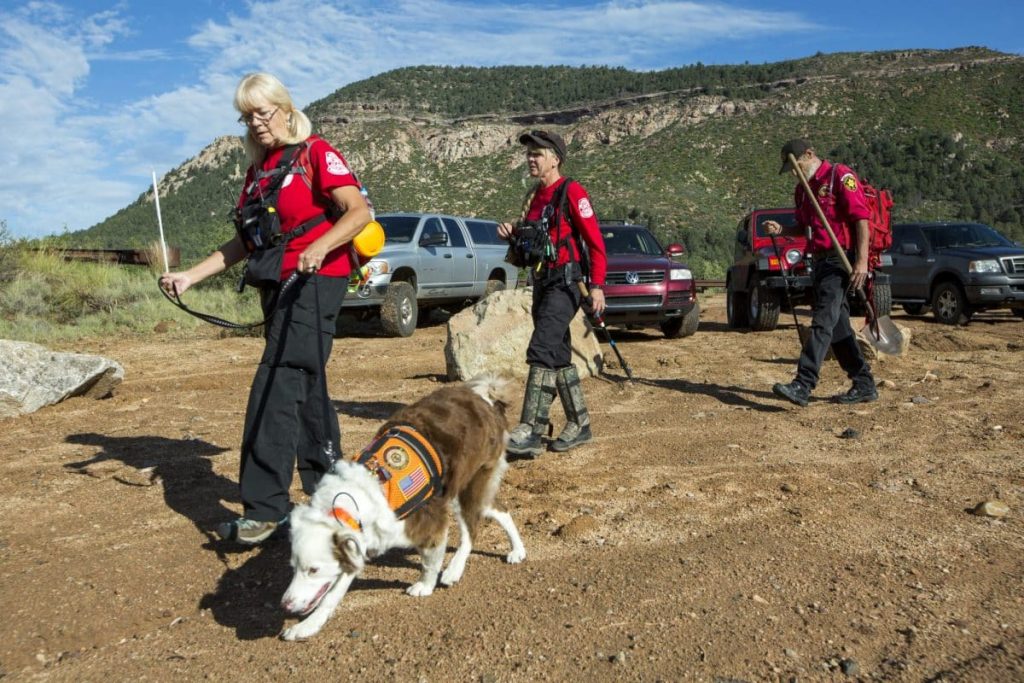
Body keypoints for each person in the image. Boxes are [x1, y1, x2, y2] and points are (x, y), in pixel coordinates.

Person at [159, 73, 371, 544]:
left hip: (317, 280)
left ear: (286, 110)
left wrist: (320, 246)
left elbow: (358, 212)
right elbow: (243, 243)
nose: (255, 123)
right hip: (277, 282)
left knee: (277, 382)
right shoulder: (258, 172)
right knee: (305, 385)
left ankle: (266, 509)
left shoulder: (316, 152)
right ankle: (334, 494)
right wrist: (190, 276)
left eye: (263, 112)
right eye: (246, 116)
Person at [498, 130, 607, 457]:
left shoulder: (571, 191)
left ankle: (531, 429)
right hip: (542, 282)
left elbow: (595, 242)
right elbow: (533, 244)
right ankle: (580, 423)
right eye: (529, 153)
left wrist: (597, 285)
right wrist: (513, 234)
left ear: (555, 159)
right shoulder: (534, 197)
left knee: (542, 348)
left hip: (567, 284)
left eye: (538, 154)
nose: (531, 159)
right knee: (558, 355)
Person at [765, 138, 878, 407]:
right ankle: (864, 383)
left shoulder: (840, 176)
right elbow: (804, 227)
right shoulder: (803, 191)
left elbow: (861, 219)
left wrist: (862, 262)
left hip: (841, 260)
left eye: (797, 166)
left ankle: (803, 384)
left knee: (823, 321)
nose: (794, 173)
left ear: (809, 154)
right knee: (838, 328)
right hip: (819, 262)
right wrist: (782, 230)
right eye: (790, 170)